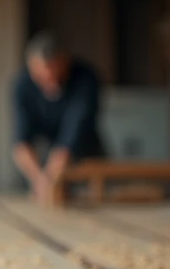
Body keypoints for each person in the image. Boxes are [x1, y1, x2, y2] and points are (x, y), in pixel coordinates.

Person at [11, 31, 105, 200]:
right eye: (41, 75)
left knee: (98, 198)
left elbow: (74, 132)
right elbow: (21, 144)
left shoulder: (85, 79)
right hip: (44, 152)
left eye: (53, 71)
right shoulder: (22, 85)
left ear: (64, 61)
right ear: (31, 66)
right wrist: (39, 180)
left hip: (85, 148)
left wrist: (51, 178)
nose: (48, 80)